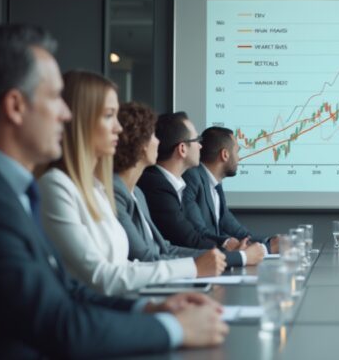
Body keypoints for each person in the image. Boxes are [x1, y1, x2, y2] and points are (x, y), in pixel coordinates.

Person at [0, 24, 227, 357]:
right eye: (55, 97)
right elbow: (59, 324)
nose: (66, 113)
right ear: (15, 106)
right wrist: (175, 328)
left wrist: (149, 310)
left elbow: (67, 290)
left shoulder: (9, 189)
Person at [38, 72, 224, 295]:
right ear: (80, 122)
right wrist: (192, 268)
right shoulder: (56, 186)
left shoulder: (97, 189)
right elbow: (102, 277)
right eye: (109, 116)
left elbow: (125, 266)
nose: (118, 128)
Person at [114, 101, 227, 275]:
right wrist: (199, 266)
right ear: (141, 144)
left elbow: (165, 249)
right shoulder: (128, 190)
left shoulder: (138, 193)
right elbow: (147, 258)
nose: (159, 143)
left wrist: (215, 258)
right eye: (153, 136)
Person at [138, 112, 263, 268]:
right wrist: (239, 256)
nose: (201, 146)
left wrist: (232, 248)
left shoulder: (172, 185)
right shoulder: (156, 185)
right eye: (196, 140)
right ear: (182, 149)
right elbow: (189, 239)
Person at [183, 126, 279, 255]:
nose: (239, 158)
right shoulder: (192, 177)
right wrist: (265, 248)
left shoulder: (215, 183)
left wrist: (268, 241)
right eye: (237, 152)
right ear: (225, 154)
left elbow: (236, 230)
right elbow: (198, 231)